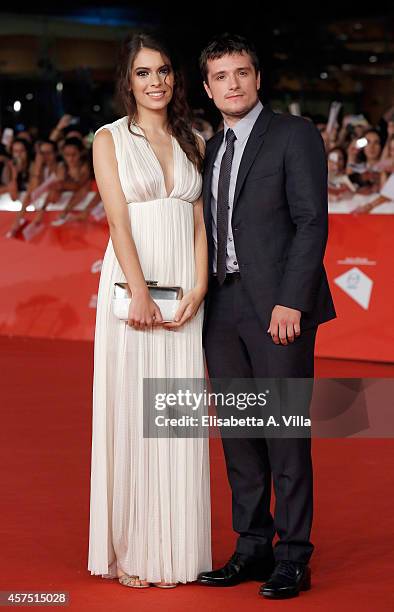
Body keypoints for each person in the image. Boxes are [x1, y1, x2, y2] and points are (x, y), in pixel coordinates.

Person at [196, 34, 336, 599]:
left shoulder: (293, 135)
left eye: (242, 73)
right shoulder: (209, 147)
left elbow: (311, 222)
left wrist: (292, 299)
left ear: (258, 79)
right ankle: (251, 546)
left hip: (279, 306)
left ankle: (293, 555)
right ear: (207, 88)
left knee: (283, 433)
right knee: (239, 435)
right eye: (221, 77)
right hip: (221, 306)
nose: (233, 84)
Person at [87, 32, 211, 588]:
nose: (156, 81)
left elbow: (202, 222)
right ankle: (135, 549)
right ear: (127, 81)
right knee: (138, 414)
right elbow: (117, 220)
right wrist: (136, 289)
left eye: (163, 71)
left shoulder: (196, 139)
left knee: (177, 420)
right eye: (143, 73)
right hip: (135, 284)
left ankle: (178, 550)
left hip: (185, 291)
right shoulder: (109, 139)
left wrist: (201, 287)